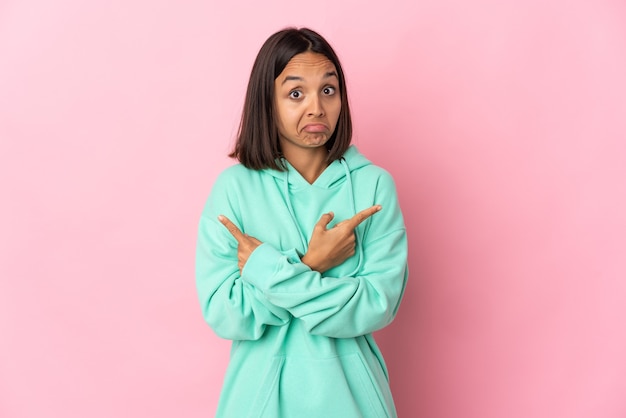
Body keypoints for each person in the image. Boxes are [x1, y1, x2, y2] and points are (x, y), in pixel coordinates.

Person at [196, 27, 408, 418]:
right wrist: (313, 264)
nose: (316, 108)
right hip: (257, 401)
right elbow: (226, 313)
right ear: (267, 102)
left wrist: (266, 270)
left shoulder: (373, 185)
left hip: (354, 402)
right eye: (296, 93)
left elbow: (376, 305)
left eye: (328, 90)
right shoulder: (235, 189)